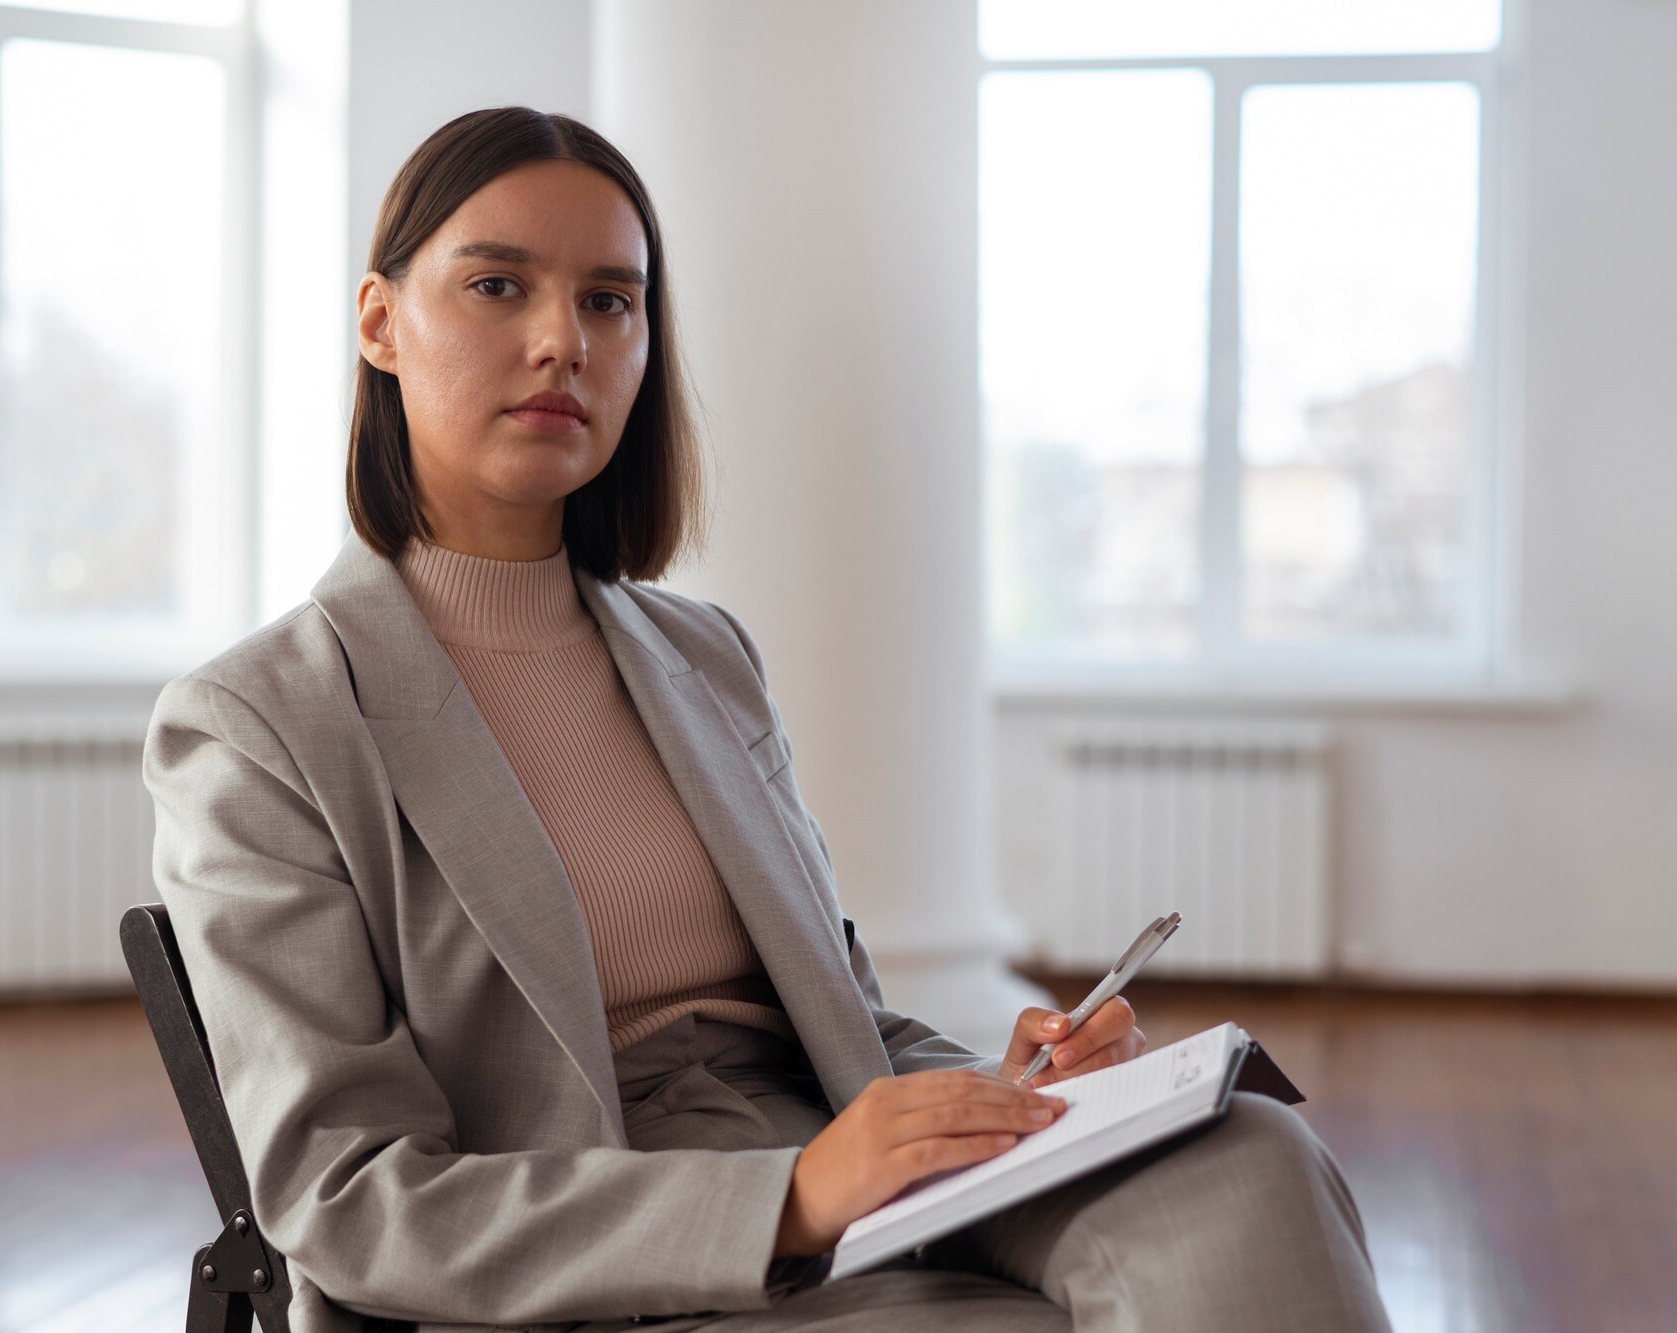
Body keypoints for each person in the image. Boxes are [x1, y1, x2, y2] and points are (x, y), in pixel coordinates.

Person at [143, 105, 1394, 1333]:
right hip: (606, 1244)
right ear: (380, 323)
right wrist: (788, 1196)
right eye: (495, 287)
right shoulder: (257, 725)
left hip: (839, 1171)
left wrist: (997, 1088)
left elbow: (834, 1018)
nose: (559, 342)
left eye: (607, 301)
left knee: (1249, 1155)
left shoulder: (702, 656)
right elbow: (350, 1200)